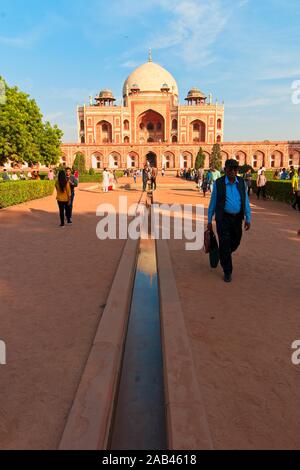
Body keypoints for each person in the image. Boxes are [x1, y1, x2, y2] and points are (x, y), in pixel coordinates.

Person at [207, 159, 251, 283]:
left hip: (237, 218)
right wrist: (209, 220)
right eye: (230, 169)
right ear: (225, 169)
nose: (232, 171)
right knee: (225, 243)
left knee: (236, 241)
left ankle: (223, 254)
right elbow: (213, 203)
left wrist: (248, 217)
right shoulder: (219, 183)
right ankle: (228, 271)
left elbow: (245, 201)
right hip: (223, 218)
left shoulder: (242, 183)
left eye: (235, 169)